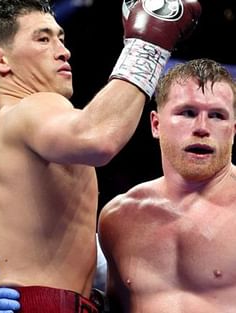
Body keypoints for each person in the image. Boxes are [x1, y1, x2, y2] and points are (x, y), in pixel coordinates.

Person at [0, 0, 201, 312]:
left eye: (61, 37)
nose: (63, 50)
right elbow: (98, 137)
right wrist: (147, 46)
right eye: (43, 39)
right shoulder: (30, 108)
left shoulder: (0, 133)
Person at [98, 58, 236, 312]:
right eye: (188, 113)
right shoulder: (117, 219)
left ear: (234, 130)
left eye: (217, 115)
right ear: (156, 124)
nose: (202, 128)